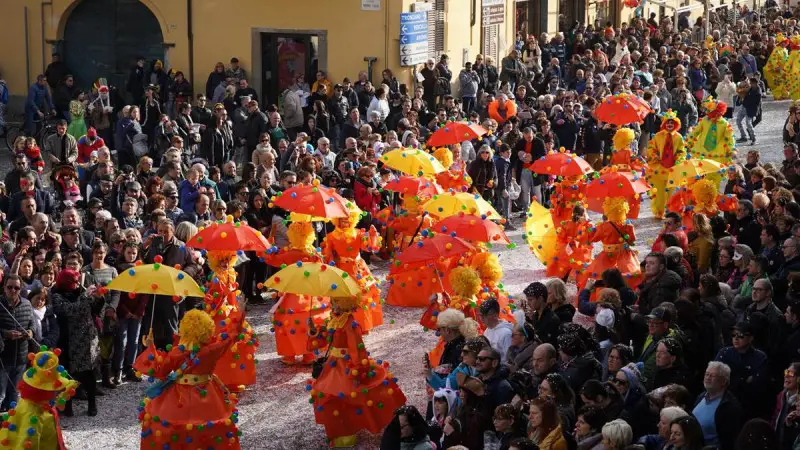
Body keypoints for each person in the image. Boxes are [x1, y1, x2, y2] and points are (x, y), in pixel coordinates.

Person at [132, 309, 243, 449]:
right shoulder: (213, 349)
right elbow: (231, 336)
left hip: (178, 397)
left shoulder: (177, 352)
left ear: (184, 329)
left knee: (172, 429)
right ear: (208, 329)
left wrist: (151, 347)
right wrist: (240, 314)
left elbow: (159, 370)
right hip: (207, 394)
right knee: (211, 429)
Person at [50, 269, 100, 416]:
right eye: (74, 281)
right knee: (68, 374)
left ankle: (92, 404)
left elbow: (95, 309)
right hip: (67, 339)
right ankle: (68, 405)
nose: (77, 284)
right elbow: (70, 310)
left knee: (89, 373)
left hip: (86, 339)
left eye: (78, 281)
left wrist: (99, 297)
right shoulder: (57, 295)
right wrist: (85, 296)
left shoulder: (80, 292)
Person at [693, 361, 745, 450]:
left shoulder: (730, 406)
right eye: (707, 374)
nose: (708, 378)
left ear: (724, 381)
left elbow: (730, 440)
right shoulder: (700, 397)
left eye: (712, 376)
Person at [0, 275, 34, 411]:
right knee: (1, 394)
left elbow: (32, 324)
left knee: (15, 393)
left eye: (16, 288)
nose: (13, 290)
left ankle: (12, 420)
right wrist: (6, 334)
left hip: (21, 357)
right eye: (9, 287)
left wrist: (30, 332)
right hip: (3, 358)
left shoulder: (27, 304)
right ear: (4, 288)